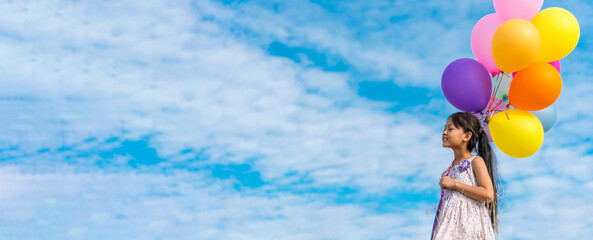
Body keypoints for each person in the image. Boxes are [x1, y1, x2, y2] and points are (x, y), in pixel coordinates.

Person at [431, 111, 502, 239]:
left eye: (450, 129)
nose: (444, 132)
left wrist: (455, 184)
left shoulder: (475, 161)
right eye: (444, 129)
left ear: (466, 136)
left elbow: (488, 194)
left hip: (470, 226)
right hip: (450, 229)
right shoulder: (447, 172)